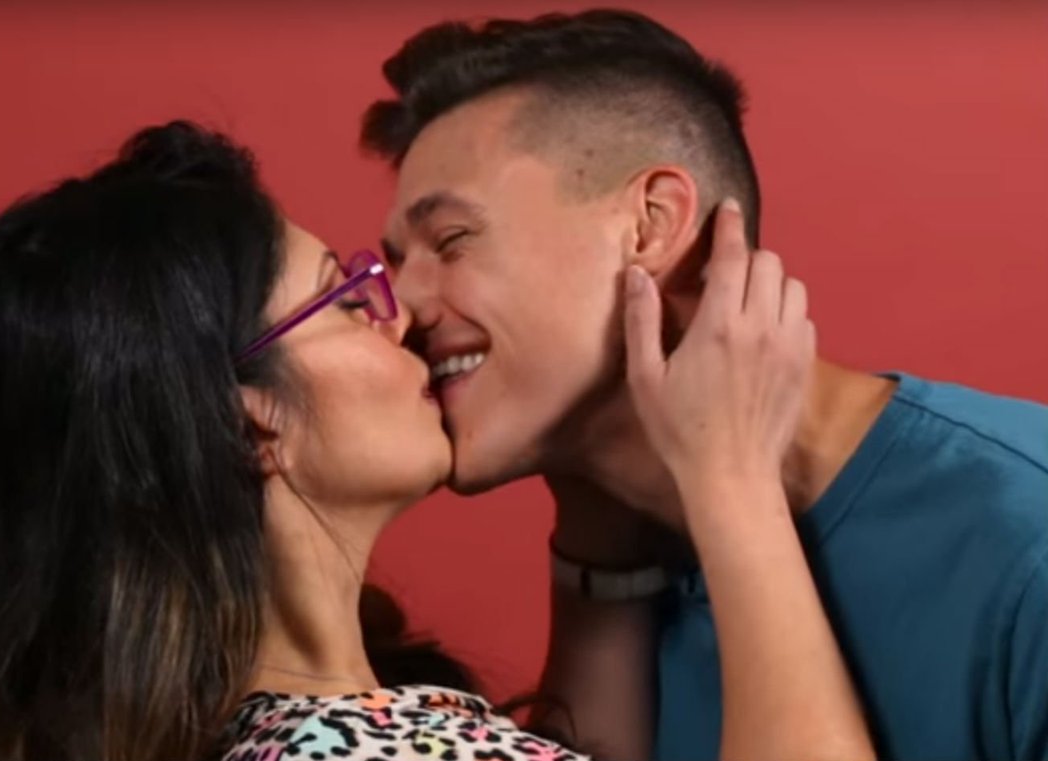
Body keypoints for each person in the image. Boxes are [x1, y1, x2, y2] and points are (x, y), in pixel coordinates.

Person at [0, 121, 871, 761]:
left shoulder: (320, 722)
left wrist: (598, 535)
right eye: (343, 296)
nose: (401, 317)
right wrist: (732, 477)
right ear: (249, 421)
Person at [362, 9, 1048, 761]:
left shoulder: (1025, 539)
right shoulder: (625, 581)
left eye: (452, 240)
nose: (403, 308)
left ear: (650, 227)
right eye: (396, 263)